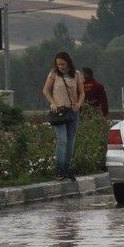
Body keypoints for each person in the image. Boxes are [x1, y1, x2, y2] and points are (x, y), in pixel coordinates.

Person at [42, 51, 85, 180]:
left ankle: (67, 169)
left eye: (63, 64)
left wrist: (78, 104)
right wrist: (53, 103)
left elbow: (82, 93)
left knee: (71, 141)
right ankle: (60, 170)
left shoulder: (77, 75)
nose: (60, 66)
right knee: (62, 140)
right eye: (58, 64)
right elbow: (45, 90)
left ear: (68, 63)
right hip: (59, 111)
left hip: (73, 111)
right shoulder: (54, 74)